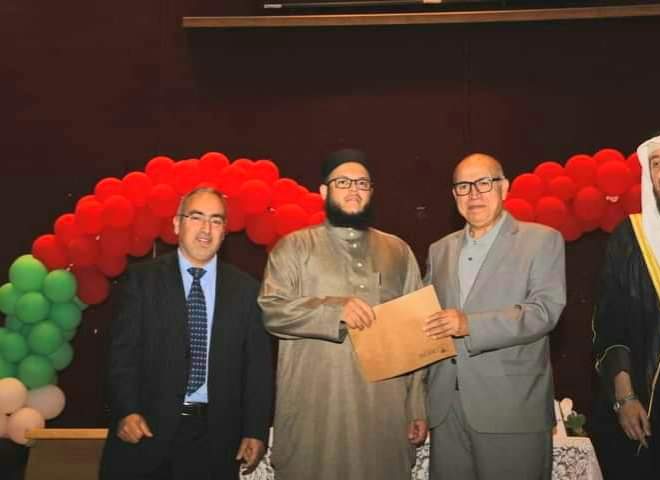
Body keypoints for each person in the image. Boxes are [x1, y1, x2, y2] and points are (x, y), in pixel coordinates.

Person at [258, 148, 427, 480]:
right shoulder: (294, 247)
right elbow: (272, 310)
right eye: (343, 182)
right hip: (316, 406)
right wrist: (334, 310)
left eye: (362, 183)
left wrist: (416, 405)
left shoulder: (398, 251)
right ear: (324, 191)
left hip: (384, 407)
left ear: (372, 192)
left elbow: (415, 333)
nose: (354, 190)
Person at [100, 187, 274, 480]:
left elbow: (257, 367)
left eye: (216, 220)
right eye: (196, 217)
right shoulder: (141, 280)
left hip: (216, 439)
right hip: (146, 430)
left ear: (224, 232)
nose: (206, 229)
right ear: (176, 224)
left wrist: (255, 429)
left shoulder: (247, 290)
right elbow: (122, 354)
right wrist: (126, 410)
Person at [423, 153, 566, 480]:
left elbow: (544, 311)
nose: (473, 194)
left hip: (511, 409)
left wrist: (469, 325)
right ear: (454, 195)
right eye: (463, 186)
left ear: (504, 187)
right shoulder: (439, 249)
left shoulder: (541, 240)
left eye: (484, 183)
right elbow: (427, 318)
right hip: (446, 410)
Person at [592, 130, 660, 478]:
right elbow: (611, 325)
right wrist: (624, 397)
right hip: (651, 398)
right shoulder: (630, 237)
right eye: (657, 164)